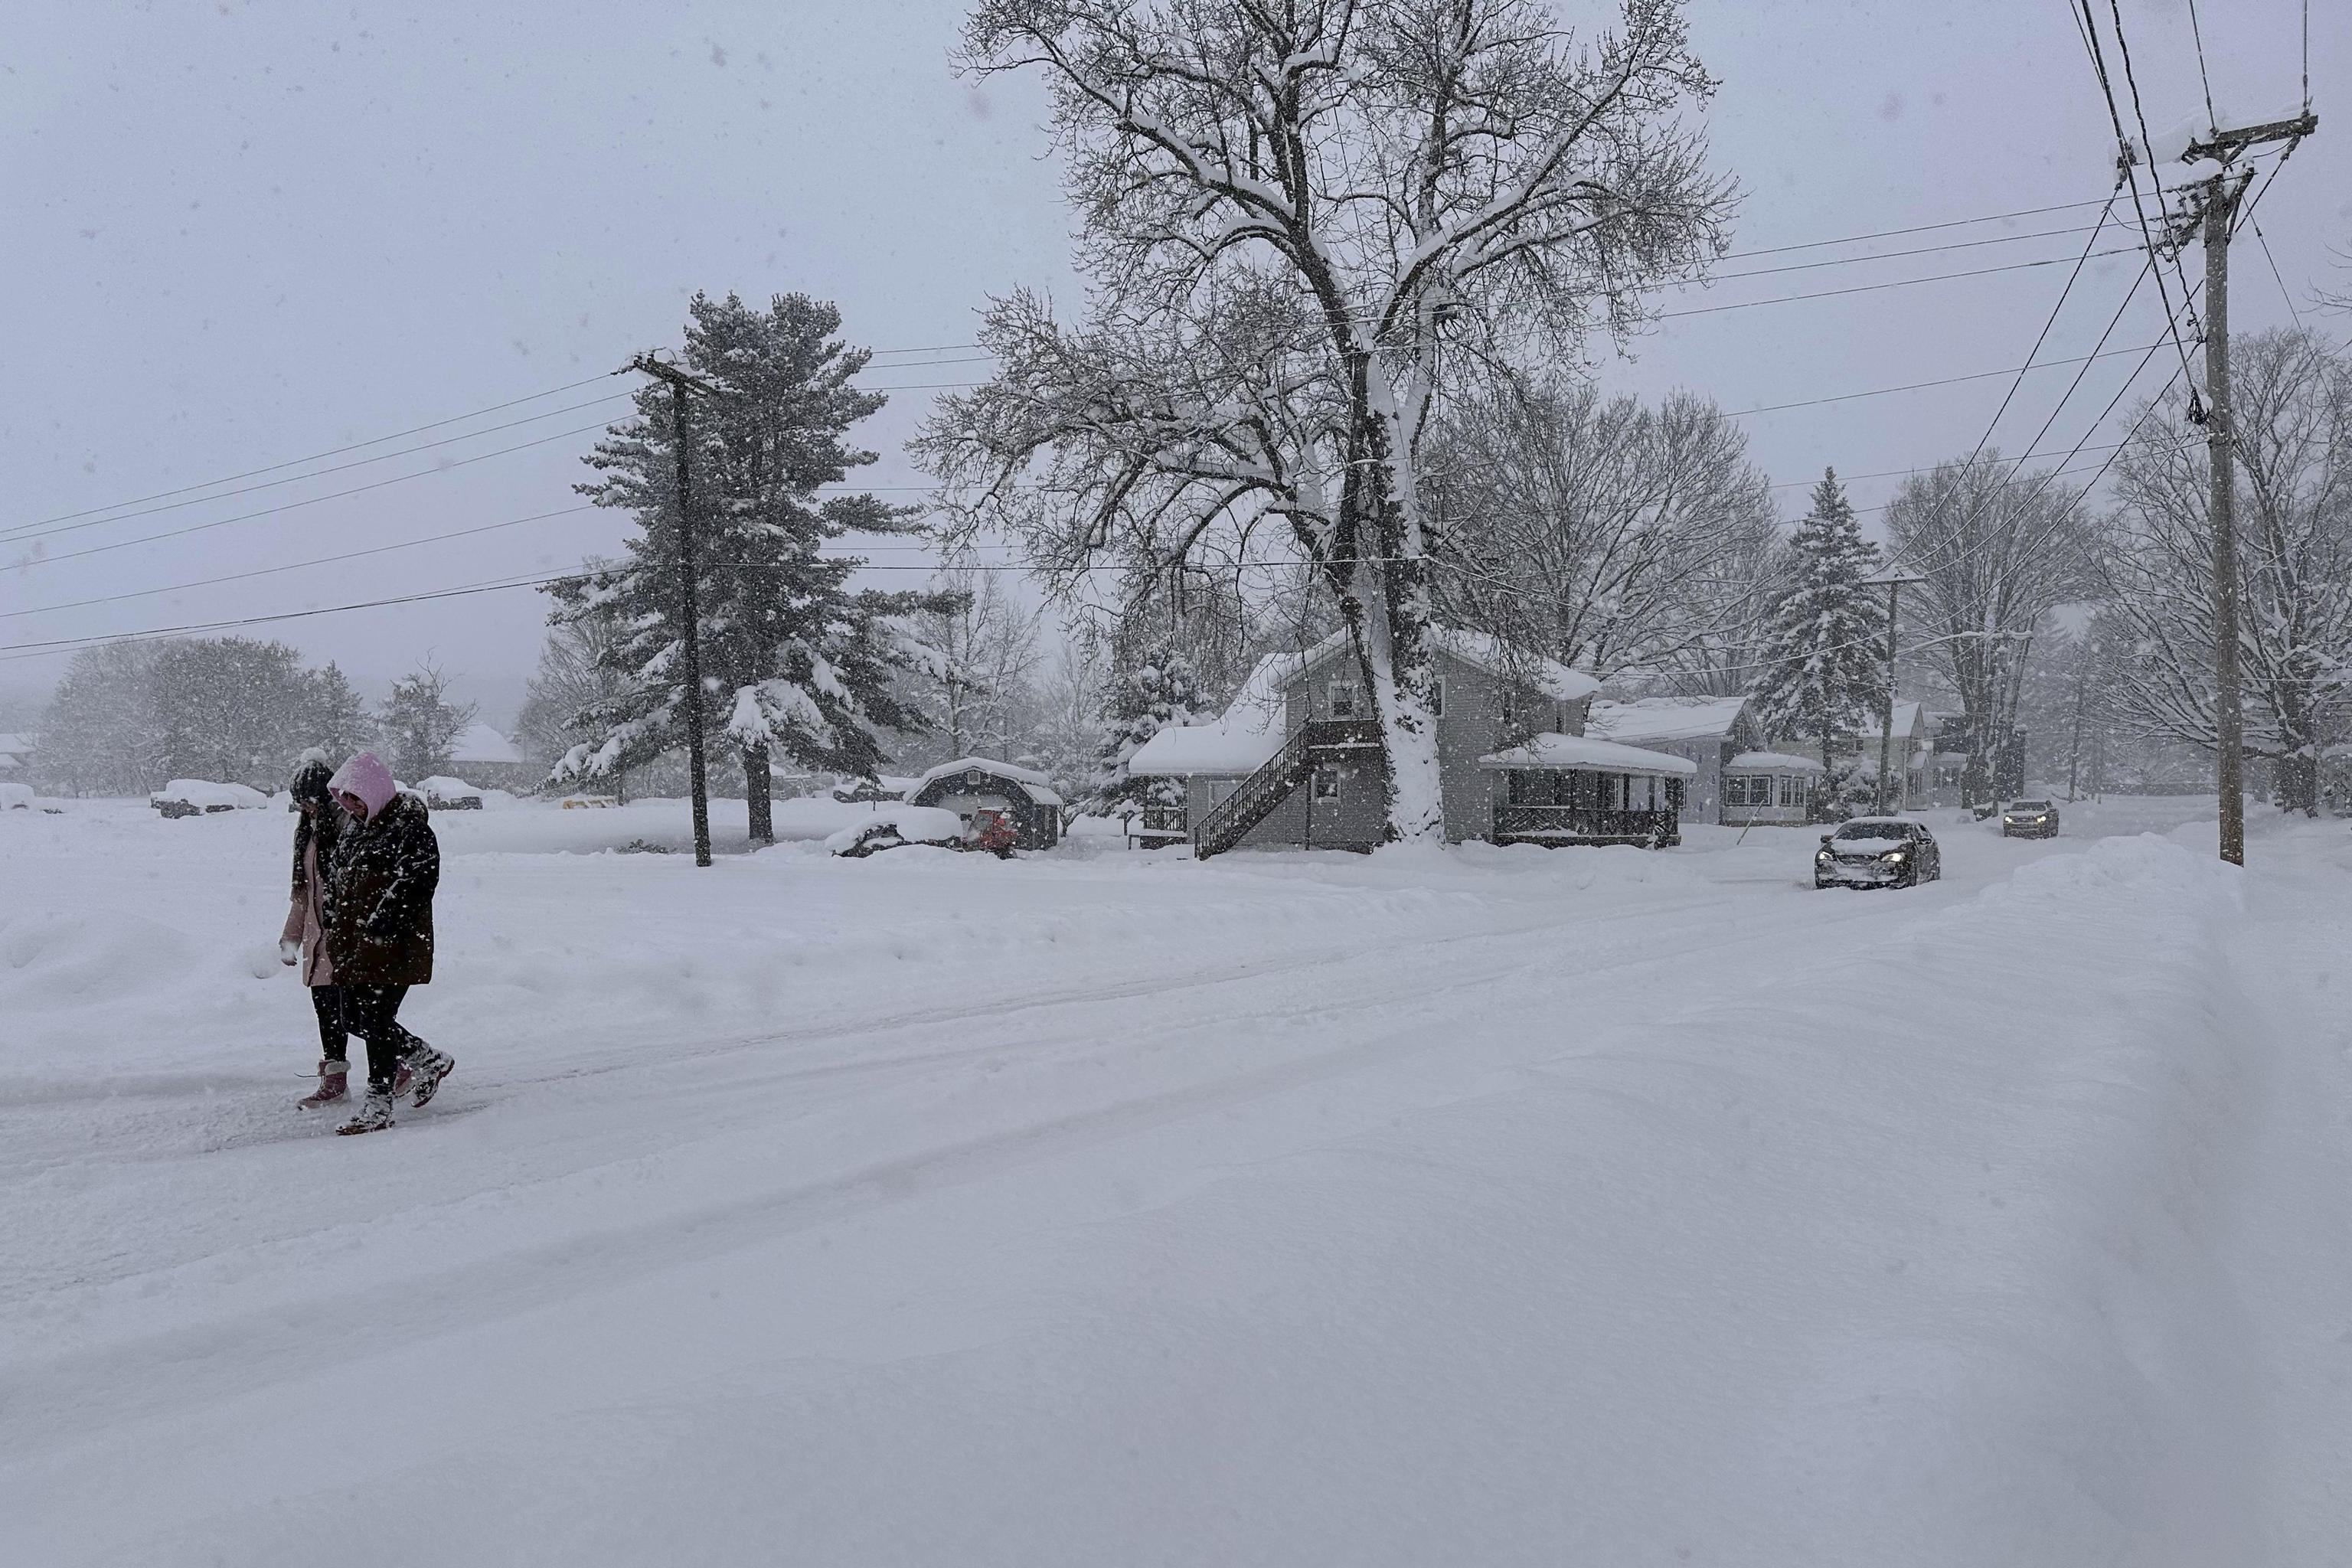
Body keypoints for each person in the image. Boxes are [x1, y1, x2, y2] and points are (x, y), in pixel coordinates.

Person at [322, 751, 456, 1135]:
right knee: (351, 1019)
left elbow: (416, 882)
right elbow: (336, 883)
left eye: (355, 796)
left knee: (376, 1020)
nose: (349, 805)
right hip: (354, 946)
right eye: (343, 798)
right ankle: (428, 1059)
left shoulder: (409, 828)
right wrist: (334, 924)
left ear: (375, 791)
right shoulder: (353, 832)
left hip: (393, 946)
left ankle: (378, 1104)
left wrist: (380, 925)